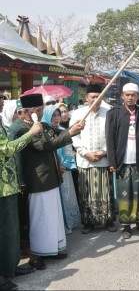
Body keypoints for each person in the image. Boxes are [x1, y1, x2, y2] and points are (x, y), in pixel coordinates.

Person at [13, 94, 84, 270]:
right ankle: (36, 253)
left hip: (51, 178)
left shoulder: (43, 125)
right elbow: (44, 146)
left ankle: (54, 248)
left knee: (53, 216)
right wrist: (69, 133)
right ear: (24, 112)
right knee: (40, 218)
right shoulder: (23, 129)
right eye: (37, 111)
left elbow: (59, 134)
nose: (40, 113)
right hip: (37, 181)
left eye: (41, 109)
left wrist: (75, 127)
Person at [0, 94, 42, 291]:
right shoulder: (16, 128)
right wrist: (30, 133)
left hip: (7, 184)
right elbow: (7, 150)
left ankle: (10, 268)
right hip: (2, 187)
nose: (2, 103)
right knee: (4, 232)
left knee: (11, 231)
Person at [106, 82, 139, 239]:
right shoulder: (114, 113)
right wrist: (112, 161)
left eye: (133, 95)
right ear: (122, 96)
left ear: (138, 96)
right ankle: (126, 225)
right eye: (127, 94)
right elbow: (110, 139)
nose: (130, 97)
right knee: (125, 194)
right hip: (123, 161)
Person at [70, 84, 116, 234]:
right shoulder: (78, 114)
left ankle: (108, 220)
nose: (96, 99)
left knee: (105, 192)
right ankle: (88, 222)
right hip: (85, 161)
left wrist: (104, 152)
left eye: (99, 96)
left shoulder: (109, 112)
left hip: (104, 159)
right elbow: (73, 136)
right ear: (86, 98)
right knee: (87, 193)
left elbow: (114, 136)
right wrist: (85, 153)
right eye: (93, 97)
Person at [41, 105, 81, 235]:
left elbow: (69, 151)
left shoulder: (63, 131)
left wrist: (64, 164)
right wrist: (56, 165)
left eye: (58, 115)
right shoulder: (43, 132)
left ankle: (68, 223)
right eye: (53, 115)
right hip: (51, 171)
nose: (56, 118)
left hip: (64, 170)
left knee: (65, 196)